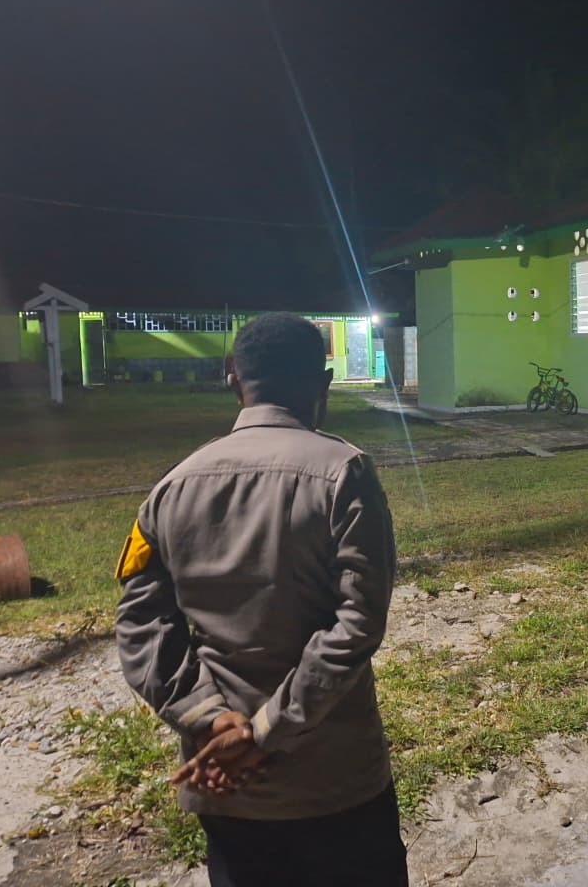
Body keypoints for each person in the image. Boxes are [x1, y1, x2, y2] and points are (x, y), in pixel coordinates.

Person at [114, 312, 407, 887]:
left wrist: (211, 719)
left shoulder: (171, 488)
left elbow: (141, 626)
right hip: (334, 777)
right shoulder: (343, 474)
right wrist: (267, 728)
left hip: (225, 779)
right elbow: (358, 622)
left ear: (231, 375)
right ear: (322, 383)